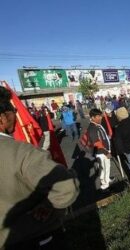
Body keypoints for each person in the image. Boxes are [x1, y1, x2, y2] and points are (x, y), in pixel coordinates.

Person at [0, 86, 79, 249]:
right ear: (2, 118)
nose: (16, 115)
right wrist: (49, 204)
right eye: (14, 110)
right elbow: (66, 185)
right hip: (35, 237)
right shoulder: (21, 152)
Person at [87, 108, 113, 191]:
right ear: (93, 117)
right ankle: (104, 186)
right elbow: (96, 143)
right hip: (101, 152)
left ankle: (107, 179)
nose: (100, 118)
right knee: (104, 168)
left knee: (106, 167)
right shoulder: (92, 128)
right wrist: (106, 152)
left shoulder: (98, 125)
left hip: (105, 150)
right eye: (98, 116)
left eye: (100, 116)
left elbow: (103, 136)